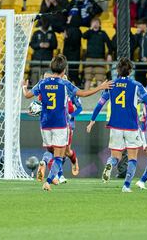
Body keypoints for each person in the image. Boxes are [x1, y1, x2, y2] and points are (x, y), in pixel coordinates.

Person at [86, 58, 147, 192]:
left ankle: (109, 164)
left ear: (117, 70)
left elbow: (100, 103)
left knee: (116, 157)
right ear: (130, 71)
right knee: (132, 158)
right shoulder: (136, 85)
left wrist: (92, 120)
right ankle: (126, 186)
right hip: (131, 126)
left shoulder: (111, 85)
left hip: (115, 126)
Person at [22, 54, 113, 191]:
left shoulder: (42, 82)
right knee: (60, 155)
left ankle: (46, 165)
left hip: (45, 124)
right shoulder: (64, 83)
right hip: (60, 124)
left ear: (52, 68)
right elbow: (83, 93)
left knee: (50, 151)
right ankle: (48, 181)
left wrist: (24, 87)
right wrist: (100, 87)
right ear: (64, 70)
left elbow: (27, 95)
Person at [83, 17, 113, 90]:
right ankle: (85, 98)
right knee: (88, 79)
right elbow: (83, 36)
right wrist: (90, 28)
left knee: (100, 79)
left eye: (97, 22)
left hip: (100, 59)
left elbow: (110, 44)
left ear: (100, 24)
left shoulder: (103, 33)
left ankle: (100, 98)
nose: (95, 24)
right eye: (94, 22)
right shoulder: (89, 33)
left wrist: (109, 54)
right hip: (89, 58)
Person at [29, 17, 57, 87]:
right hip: (37, 59)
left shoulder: (52, 33)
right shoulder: (36, 33)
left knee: (48, 81)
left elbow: (55, 45)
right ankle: (34, 96)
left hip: (48, 60)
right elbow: (31, 44)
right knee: (35, 80)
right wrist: (39, 45)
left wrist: (49, 45)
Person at [63, 15, 82, 86]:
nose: (67, 18)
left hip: (72, 58)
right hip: (71, 57)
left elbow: (74, 44)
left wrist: (66, 38)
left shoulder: (75, 30)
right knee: (70, 75)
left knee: (73, 75)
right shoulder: (72, 29)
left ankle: (79, 88)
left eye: (69, 18)